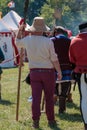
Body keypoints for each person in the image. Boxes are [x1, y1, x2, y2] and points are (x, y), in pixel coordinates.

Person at [16, 17, 62, 129]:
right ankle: (51, 120)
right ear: (43, 29)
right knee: (49, 98)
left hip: (34, 72)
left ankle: (35, 121)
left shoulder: (27, 39)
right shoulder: (48, 41)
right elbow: (54, 58)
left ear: (33, 28)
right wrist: (59, 71)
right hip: (48, 72)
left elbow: (17, 43)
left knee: (36, 98)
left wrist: (19, 31)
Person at [51, 26, 73, 113]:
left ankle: (54, 101)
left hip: (54, 67)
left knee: (54, 87)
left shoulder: (51, 40)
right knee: (64, 89)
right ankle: (62, 109)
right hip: (67, 67)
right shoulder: (69, 41)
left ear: (56, 32)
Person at [69, 22, 87, 130]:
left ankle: (86, 123)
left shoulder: (74, 41)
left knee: (84, 99)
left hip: (81, 73)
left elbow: (72, 60)